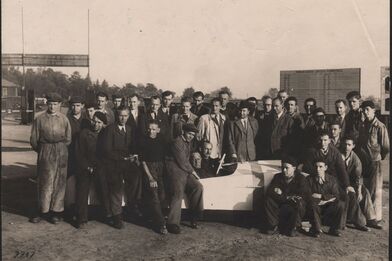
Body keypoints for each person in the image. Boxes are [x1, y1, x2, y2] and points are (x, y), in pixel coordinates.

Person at [29, 93, 72, 224]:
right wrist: (43, 150)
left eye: (55, 104)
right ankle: (43, 211)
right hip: (45, 150)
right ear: (47, 104)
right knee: (45, 182)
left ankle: (56, 212)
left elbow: (68, 139)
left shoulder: (64, 119)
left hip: (61, 151)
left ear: (60, 105)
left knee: (59, 182)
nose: (53, 106)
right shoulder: (40, 119)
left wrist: (60, 149)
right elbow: (34, 140)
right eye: (50, 104)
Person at [101, 106, 142, 229]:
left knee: (137, 176)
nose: (123, 118)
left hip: (127, 163)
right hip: (113, 163)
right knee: (116, 186)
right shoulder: (110, 130)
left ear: (129, 116)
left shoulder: (129, 129)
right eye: (120, 115)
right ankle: (117, 216)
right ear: (116, 116)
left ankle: (132, 207)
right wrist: (122, 158)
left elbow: (132, 147)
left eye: (125, 116)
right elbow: (107, 150)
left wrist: (133, 156)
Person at [165, 123, 204, 234]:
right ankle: (172, 223)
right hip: (175, 171)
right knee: (178, 192)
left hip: (184, 171)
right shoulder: (177, 142)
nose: (191, 136)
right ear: (183, 132)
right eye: (189, 134)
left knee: (198, 187)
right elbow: (182, 161)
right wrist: (193, 172)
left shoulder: (188, 142)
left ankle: (195, 216)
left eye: (193, 134)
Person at [357, 100, 389, 225]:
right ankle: (368, 215)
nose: (365, 112)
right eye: (364, 110)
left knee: (376, 190)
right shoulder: (363, 125)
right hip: (364, 162)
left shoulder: (380, 126)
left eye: (368, 110)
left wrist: (379, 157)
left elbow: (385, 146)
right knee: (366, 188)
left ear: (374, 111)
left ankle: (376, 218)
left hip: (375, 161)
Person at [340, 136, 382, 229]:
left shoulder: (356, 160)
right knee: (351, 194)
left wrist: (359, 191)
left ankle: (371, 219)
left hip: (352, 183)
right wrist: (346, 186)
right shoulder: (338, 156)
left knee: (365, 192)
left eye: (349, 145)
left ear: (353, 146)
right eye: (345, 144)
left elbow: (358, 178)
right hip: (339, 183)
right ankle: (359, 221)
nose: (346, 147)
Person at [74, 111, 107, 229]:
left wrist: (98, 167)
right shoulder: (83, 134)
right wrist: (87, 167)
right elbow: (79, 154)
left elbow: (106, 155)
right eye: (94, 121)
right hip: (84, 167)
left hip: (99, 167)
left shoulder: (105, 135)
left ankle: (107, 213)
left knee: (104, 184)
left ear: (103, 124)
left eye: (99, 122)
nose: (95, 124)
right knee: (82, 187)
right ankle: (81, 218)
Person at [264, 157, 311, 237]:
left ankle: (294, 228)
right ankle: (273, 226)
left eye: (287, 168)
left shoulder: (301, 178)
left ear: (294, 168)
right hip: (281, 203)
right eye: (283, 168)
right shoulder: (277, 177)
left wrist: (282, 194)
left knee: (299, 202)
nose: (284, 170)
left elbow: (303, 194)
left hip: (293, 205)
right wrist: (286, 197)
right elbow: (270, 191)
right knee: (268, 200)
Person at [139, 120, 168, 234]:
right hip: (149, 170)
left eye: (154, 129)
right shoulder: (143, 141)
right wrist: (150, 178)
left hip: (160, 169)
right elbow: (143, 162)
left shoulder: (162, 139)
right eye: (150, 129)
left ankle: (154, 215)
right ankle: (161, 225)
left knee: (162, 196)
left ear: (158, 130)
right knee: (154, 195)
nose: (151, 131)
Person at [307, 160, 346, 237]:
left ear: (325, 168)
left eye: (320, 167)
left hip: (328, 206)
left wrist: (322, 197)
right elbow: (307, 195)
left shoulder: (332, 180)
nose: (317, 169)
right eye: (316, 167)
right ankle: (316, 229)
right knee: (313, 205)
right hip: (315, 205)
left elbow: (336, 195)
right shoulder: (309, 179)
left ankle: (334, 229)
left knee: (340, 204)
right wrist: (319, 200)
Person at [65, 96, 87, 220]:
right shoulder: (66, 119)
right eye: (73, 105)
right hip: (70, 155)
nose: (75, 108)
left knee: (81, 184)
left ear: (82, 106)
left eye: (78, 105)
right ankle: (68, 209)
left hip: (82, 157)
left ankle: (80, 210)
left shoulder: (87, 120)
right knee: (68, 183)